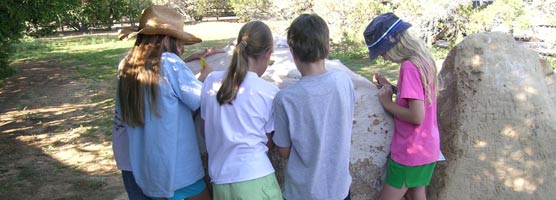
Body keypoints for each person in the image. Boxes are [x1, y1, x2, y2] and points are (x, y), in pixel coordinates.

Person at [114, 5, 213, 200]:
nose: (182, 49)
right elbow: (202, 99)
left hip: (148, 173)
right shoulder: (169, 63)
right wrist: (206, 76)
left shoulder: (127, 64)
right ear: (167, 39)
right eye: (179, 43)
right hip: (179, 172)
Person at [272, 14, 355, 200]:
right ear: (327, 47)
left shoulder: (285, 98)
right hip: (339, 190)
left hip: (303, 193)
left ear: (292, 52)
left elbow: (283, 151)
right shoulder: (344, 81)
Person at [200, 20, 282, 200]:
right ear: (267, 54)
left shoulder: (211, 81)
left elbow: (206, 130)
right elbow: (269, 142)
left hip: (221, 183)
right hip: (256, 179)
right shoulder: (269, 92)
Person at [363, 13, 440, 200]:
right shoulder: (423, 60)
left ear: (392, 46)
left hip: (410, 151)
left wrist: (387, 103)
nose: (384, 58)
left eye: (382, 52)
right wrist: (393, 88)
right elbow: (419, 97)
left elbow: (417, 115)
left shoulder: (409, 67)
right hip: (427, 147)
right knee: (416, 194)